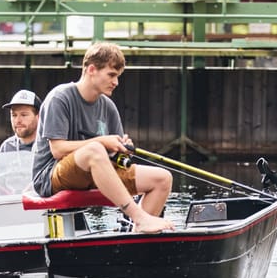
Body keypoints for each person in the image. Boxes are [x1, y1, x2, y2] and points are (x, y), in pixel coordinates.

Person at [31, 42, 174, 234]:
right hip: (51, 175)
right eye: (111, 75)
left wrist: (121, 150)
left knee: (162, 179)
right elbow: (57, 150)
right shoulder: (60, 98)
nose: (116, 82)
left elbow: (114, 159)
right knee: (95, 150)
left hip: (94, 170)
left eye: (118, 76)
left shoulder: (108, 107)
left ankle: (135, 245)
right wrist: (102, 142)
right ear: (91, 70)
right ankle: (139, 218)